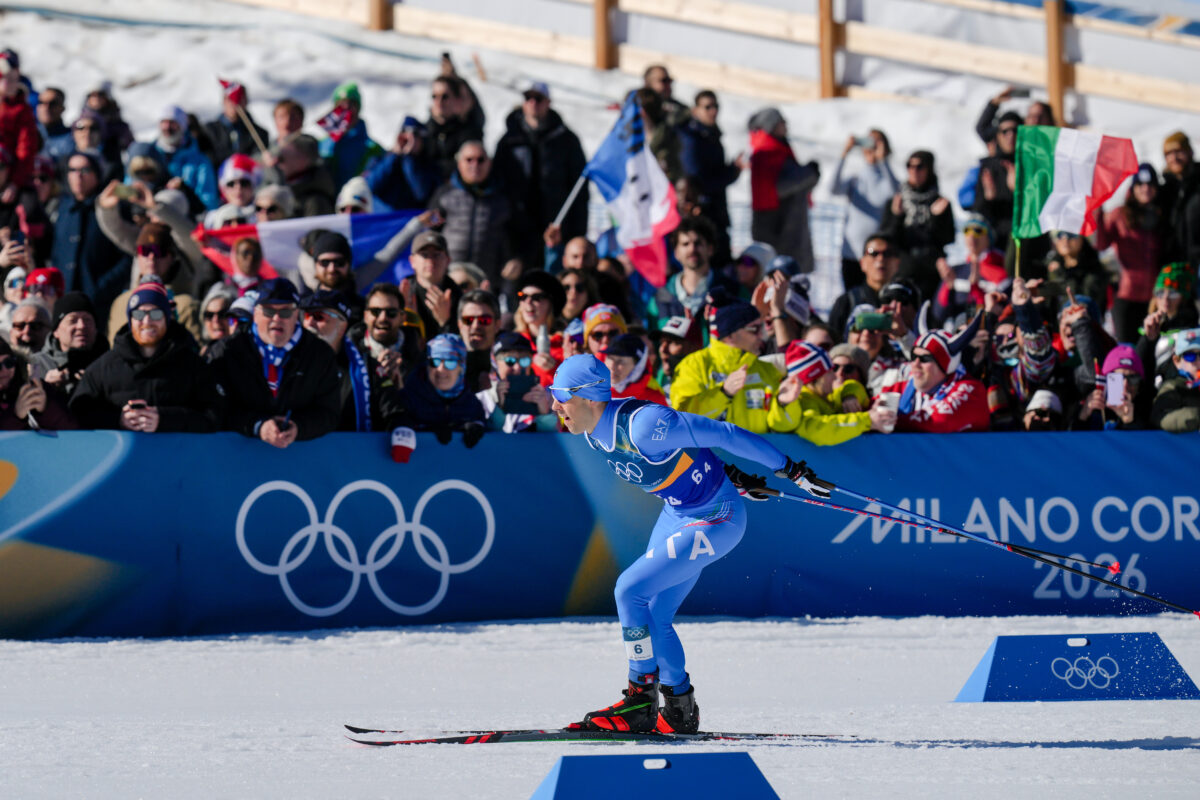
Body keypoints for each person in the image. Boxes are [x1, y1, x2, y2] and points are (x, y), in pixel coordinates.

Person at [548, 353, 829, 734]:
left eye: (561, 396)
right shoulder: (591, 430)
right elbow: (685, 453)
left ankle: (639, 700)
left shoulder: (645, 425)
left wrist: (789, 469)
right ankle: (680, 708)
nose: (554, 405)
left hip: (717, 518)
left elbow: (723, 433)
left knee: (629, 590)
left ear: (589, 396)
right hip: (678, 513)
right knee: (654, 613)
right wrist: (729, 473)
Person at [206, 277, 342, 447]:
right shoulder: (227, 352)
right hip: (237, 454)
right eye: (269, 312)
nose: (277, 319)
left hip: (299, 456)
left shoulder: (319, 354)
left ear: (296, 315)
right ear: (256, 314)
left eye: (285, 312)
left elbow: (329, 413)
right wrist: (258, 426)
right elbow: (215, 409)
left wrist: (298, 427)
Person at [69, 280, 220, 432]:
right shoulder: (104, 368)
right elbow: (78, 414)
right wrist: (117, 419)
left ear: (167, 318)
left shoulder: (192, 365)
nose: (147, 321)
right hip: (125, 448)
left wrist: (165, 419)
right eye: (139, 314)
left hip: (177, 448)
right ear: (130, 320)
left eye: (156, 313)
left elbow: (215, 415)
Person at [492, 81, 588, 267]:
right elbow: (498, 183)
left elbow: (579, 189)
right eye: (528, 98)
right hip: (517, 229)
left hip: (554, 227)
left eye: (538, 98)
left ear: (548, 102)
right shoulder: (509, 140)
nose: (533, 103)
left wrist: (577, 234)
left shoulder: (566, 140)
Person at [670, 293, 781, 433]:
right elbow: (681, 419)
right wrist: (723, 393)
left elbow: (783, 426)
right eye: (754, 329)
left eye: (762, 328)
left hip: (754, 448)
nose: (761, 335)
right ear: (729, 335)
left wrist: (785, 404)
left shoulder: (767, 370)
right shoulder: (693, 366)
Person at [304, 287, 405, 433]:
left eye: (319, 317)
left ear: (341, 326)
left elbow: (394, 414)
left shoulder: (367, 368)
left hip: (352, 446)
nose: (309, 323)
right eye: (307, 316)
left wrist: (401, 431)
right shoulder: (289, 362)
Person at [50, 152, 130, 322]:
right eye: (72, 170)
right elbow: (56, 252)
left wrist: (101, 287)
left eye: (85, 170)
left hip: (101, 303)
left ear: (97, 173)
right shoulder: (63, 207)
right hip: (66, 299)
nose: (78, 176)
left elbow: (126, 255)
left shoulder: (113, 207)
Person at [768, 341, 894, 444]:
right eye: (830, 372)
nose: (835, 376)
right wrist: (867, 420)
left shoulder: (826, 395)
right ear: (816, 378)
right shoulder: (804, 401)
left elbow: (852, 386)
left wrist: (850, 395)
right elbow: (819, 430)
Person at [1094, 163, 1165, 343]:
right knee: (1128, 347)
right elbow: (1102, 244)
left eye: (1150, 184)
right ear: (1133, 188)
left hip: (1153, 298)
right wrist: (1099, 214)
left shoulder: (1161, 214)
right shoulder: (1120, 215)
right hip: (1126, 295)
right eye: (1140, 184)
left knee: (1151, 347)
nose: (1145, 189)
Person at [428, 140, 516, 286]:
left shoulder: (502, 197)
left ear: (489, 163)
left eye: (480, 160)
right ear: (459, 163)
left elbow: (515, 235)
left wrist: (516, 259)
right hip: (449, 277)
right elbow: (430, 232)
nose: (475, 165)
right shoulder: (444, 194)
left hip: (487, 280)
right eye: (469, 159)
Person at [874, 328, 990, 433]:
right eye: (914, 356)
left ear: (945, 366)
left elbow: (940, 420)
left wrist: (890, 421)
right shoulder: (905, 388)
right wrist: (870, 413)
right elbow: (870, 406)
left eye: (925, 358)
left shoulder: (972, 390)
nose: (915, 364)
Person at [675, 89, 743, 267]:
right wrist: (731, 173)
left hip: (715, 213)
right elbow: (698, 182)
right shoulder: (691, 139)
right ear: (695, 110)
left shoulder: (710, 134)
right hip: (703, 216)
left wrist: (732, 170)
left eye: (716, 106)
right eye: (707, 107)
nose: (713, 111)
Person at [747, 107, 818, 273]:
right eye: (782, 122)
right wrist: (808, 174)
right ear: (771, 125)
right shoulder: (766, 151)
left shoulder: (779, 147)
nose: (786, 125)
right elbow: (776, 188)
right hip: (778, 227)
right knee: (780, 273)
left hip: (788, 224)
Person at [106, 222, 201, 344]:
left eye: (159, 252)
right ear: (137, 256)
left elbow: (194, 349)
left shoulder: (185, 304)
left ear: (172, 257)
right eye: (145, 251)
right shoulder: (121, 302)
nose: (151, 257)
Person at [880, 150, 955, 302]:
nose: (914, 171)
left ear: (929, 170)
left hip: (930, 271)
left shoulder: (940, 202)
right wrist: (897, 216)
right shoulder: (897, 201)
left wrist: (936, 218)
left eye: (920, 166)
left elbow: (947, 239)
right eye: (910, 166)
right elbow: (888, 238)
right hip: (903, 269)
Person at [831, 129, 899, 291]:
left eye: (876, 143)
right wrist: (845, 153)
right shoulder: (856, 179)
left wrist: (883, 161)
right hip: (851, 254)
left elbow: (897, 194)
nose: (871, 148)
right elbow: (833, 188)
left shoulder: (887, 179)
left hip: (879, 257)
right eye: (868, 142)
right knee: (853, 298)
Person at [400, 332, 486, 446]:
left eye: (450, 362)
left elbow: (485, 428)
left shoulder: (472, 404)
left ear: (461, 367)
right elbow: (396, 427)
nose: (441, 369)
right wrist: (426, 430)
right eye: (434, 362)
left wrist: (477, 426)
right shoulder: (407, 399)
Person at [932, 213, 1009, 326]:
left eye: (978, 230)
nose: (972, 236)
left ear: (989, 237)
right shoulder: (956, 270)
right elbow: (938, 315)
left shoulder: (1001, 272)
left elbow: (1002, 312)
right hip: (958, 330)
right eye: (967, 230)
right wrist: (947, 286)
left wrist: (976, 288)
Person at [28, 291, 108, 399]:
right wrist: (46, 387)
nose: (81, 326)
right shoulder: (37, 364)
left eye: (87, 320)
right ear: (56, 331)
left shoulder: (110, 363)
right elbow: (27, 404)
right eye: (73, 320)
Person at [476, 331, 557, 432]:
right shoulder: (480, 400)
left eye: (524, 361)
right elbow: (482, 439)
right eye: (510, 361)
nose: (517, 367)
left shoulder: (547, 398)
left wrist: (545, 415)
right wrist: (500, 409)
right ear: (495, 362)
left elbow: (558, 440)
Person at [828, 233, 900, 339]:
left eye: (888, 253)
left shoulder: (905, 303)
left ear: (897, 263)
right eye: (873, 253)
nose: (881, 258)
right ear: (862, 263)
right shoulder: (847, 302)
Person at [318, 81, 384, 192]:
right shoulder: (320, 145)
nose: (347, 108)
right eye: (341, 104)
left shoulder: (373, 149)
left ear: (358, 108)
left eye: (352, 104)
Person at [364, 116, 440, 211]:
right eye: (404, 135)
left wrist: (409, 158)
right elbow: (370, 186)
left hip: (410, 218)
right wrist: (394, 155)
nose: (408, 141)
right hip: (382, 217)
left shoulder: (430, 166)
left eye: (415, 136)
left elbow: (422, 193)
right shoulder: (380, 159)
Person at [0, 338, 75, 431]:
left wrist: (45, 409)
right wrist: (16, 417)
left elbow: (71, 432)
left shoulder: (33, 386)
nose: (4, 370)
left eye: (8, 363)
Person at [425, 75, 485, 181]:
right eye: (434, 96)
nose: (439, 101)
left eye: (445, 97)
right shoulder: (421, 132)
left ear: (457, 100)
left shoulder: (469, 134)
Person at [408, 230, 463, 338]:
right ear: (412, 261)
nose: (431, 260)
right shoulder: (402, 295)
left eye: (436, 255)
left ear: (448, 260)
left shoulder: (460, 296)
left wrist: (446, 322)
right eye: (424, 255)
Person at [203, 80, 269, 170]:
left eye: (239, 99)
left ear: (246, 101)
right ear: (223, 101)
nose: (234, 104)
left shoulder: (258, 134)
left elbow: (257, 161)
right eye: (230, 99)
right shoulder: (209, 132)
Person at [1159, 132, 1199, 266]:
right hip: (1175, 268)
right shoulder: (1164, 191)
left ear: (1190, 152)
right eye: (1169, 154)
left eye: (1179, 151)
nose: (1174, 158)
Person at [1152, 328, 1200, 433]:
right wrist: (1197, 416)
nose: (1198, 361)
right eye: (1190, 356)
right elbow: (1161, 417)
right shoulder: (1172, 387)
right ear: (1177, 361)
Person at [276, 132, 336, 217]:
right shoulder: (290, 190)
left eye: (282, 158)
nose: (277, 162)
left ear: (303, 158)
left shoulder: (315, 202)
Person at [456, 288, 501, 392]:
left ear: (497, 325)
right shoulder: (446, 363)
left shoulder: (509, 363)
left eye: (484, 320)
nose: (476, 326)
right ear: (459, 324)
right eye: (469, 320)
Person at [603, 332, 666, 405]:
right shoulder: (593, 391)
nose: (612, 366)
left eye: (620, 361)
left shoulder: (654, 401)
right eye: (610, 358)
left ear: (637, 366)